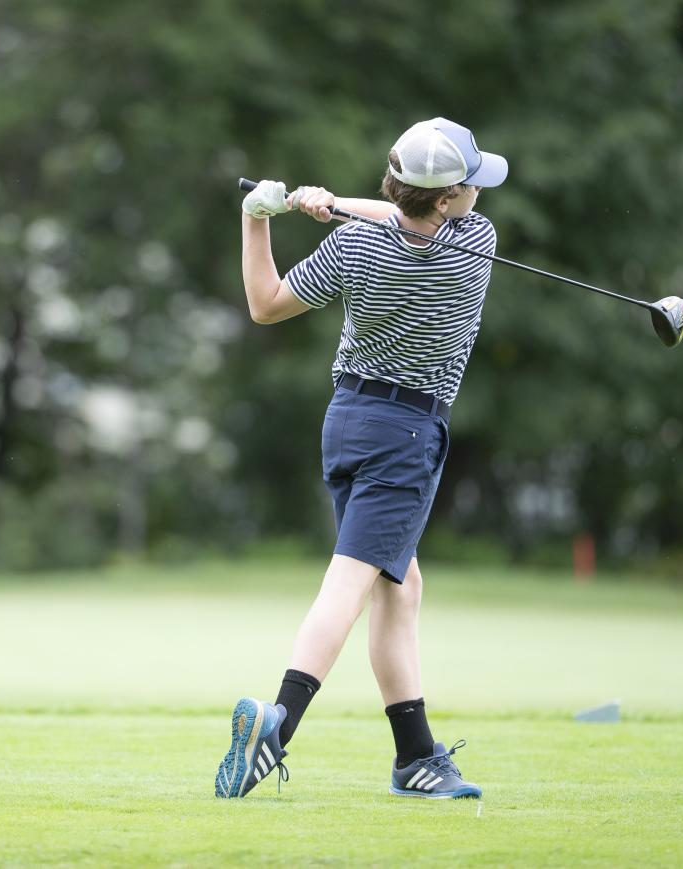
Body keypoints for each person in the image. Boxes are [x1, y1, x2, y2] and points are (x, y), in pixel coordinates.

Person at [215, 118, 507, 798]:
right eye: (468, 186)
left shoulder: (354, 245)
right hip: (408, 435)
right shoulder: (477, 246)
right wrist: (335, 202)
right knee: (349, 584)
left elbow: (264, 303)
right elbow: (407, 220)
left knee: (400, 587)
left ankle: (416, 757)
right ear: (443, 202)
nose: (476, 195)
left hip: (347, 420)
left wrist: (259, 217)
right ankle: (277, 724)